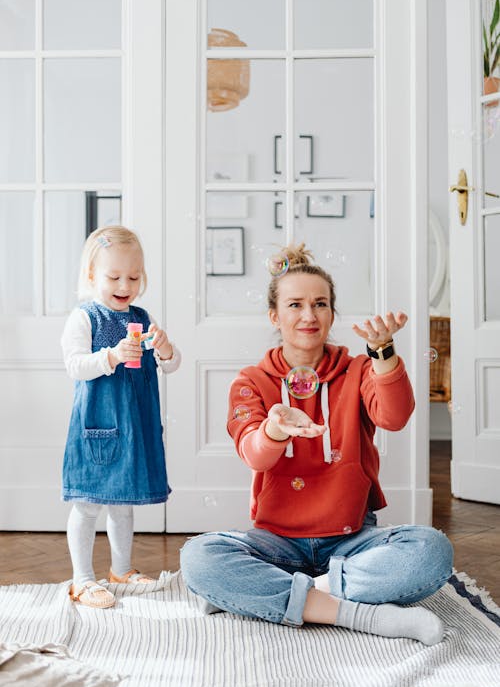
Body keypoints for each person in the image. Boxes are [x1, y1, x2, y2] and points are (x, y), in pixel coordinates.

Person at [181, 243, 453, 645]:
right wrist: (274, 430)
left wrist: (383, 353)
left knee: (431, 550)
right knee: (199, 558)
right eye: (295, 305)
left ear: (331, 313)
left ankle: (278, 595)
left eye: (320, 304)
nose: (309, 315)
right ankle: (361, 615)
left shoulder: (360, 369)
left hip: (353, 539)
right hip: (277, 542)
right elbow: (253, 452)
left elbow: (394, 417)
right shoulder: (251, 381)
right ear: (274, 316)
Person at [61, 225, 181, 608]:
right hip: (98, 425)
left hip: (133, 426)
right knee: (87, 502)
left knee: (122, 502)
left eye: (133, 276)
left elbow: (172, 366)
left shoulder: (142, 317)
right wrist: (111, 355)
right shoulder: (85, 317)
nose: (124, 284)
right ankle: (81, 579)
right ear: (93, 276)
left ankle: (121, 569)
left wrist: (164, 349)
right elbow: (75, 366)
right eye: (114, 277)